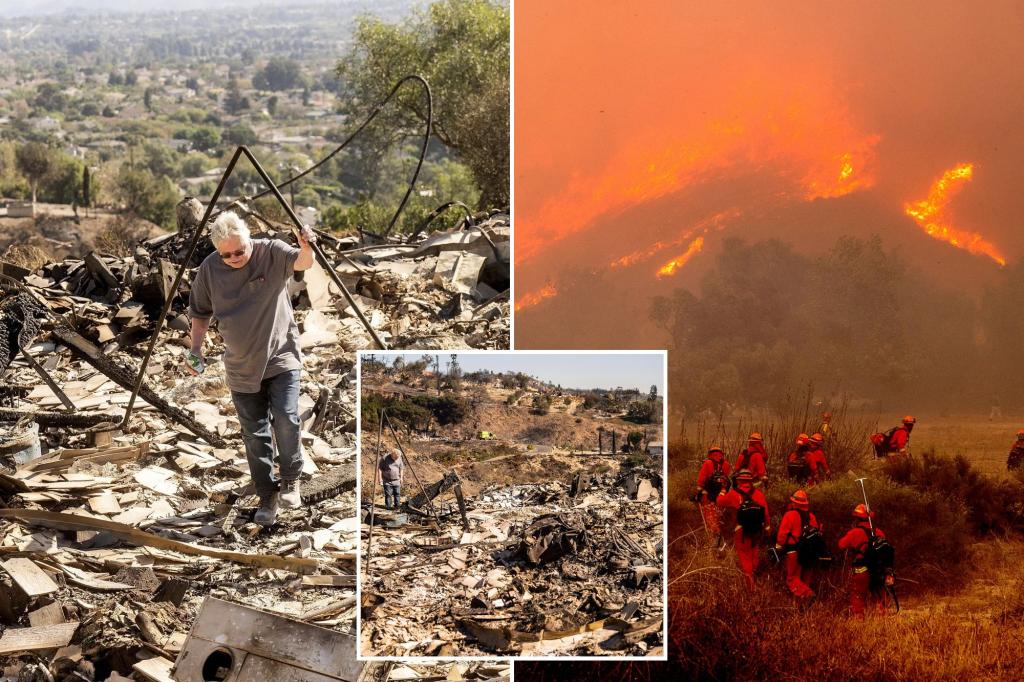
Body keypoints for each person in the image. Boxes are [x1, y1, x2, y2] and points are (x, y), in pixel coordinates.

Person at [187, 212, 317, 526]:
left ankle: (290, 478)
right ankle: (266, 494)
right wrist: (195, 349)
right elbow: (200, 312)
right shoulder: (210, 269)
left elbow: (302, 263)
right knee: (255, 435)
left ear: (249, 239)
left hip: (280, 356)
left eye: (239, 251)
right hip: (240, 366)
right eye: (226, 254)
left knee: (285, 418)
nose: (234, 258)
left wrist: (307, 246)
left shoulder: (270, 252)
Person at [716, 469, 770, 590]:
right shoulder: (759, 494)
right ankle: (754, 575)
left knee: (745, 557)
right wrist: (767, 529)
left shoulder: (733, 494)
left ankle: (750, 586)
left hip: (741, 531)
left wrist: (723, 490)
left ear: (739, 480)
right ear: (751, 481)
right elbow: (766, 514)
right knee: (754, 552)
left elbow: (719, 502)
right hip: (757, 530)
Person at [838, 504, 893, 618]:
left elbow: (841, 545)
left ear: (857, 519)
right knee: (879, 595)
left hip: (862, 570)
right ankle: (882, 621)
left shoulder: (855, 532)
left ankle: (859, 620)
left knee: (858, 594)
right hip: (878, 570)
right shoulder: (879, 532)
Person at [775, 489, 821, 601]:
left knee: (792, 579)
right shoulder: (812, 516)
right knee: (806, 579)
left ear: (795, 503)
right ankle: (803, 607)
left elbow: (782, 535)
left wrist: (778, 547)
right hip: (809, 552)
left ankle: (809, 595)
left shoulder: (790, 515)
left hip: (793, 551)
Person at [695, 446, 731, 549]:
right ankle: (719, 532)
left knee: (709, 514)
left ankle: (715, 536)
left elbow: (701, 478)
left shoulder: (707, 463)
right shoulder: (726, 464)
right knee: (718, 514)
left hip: (708, 494)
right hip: (721, 494)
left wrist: (699, 491)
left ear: (710, 453)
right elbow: (727, 480)